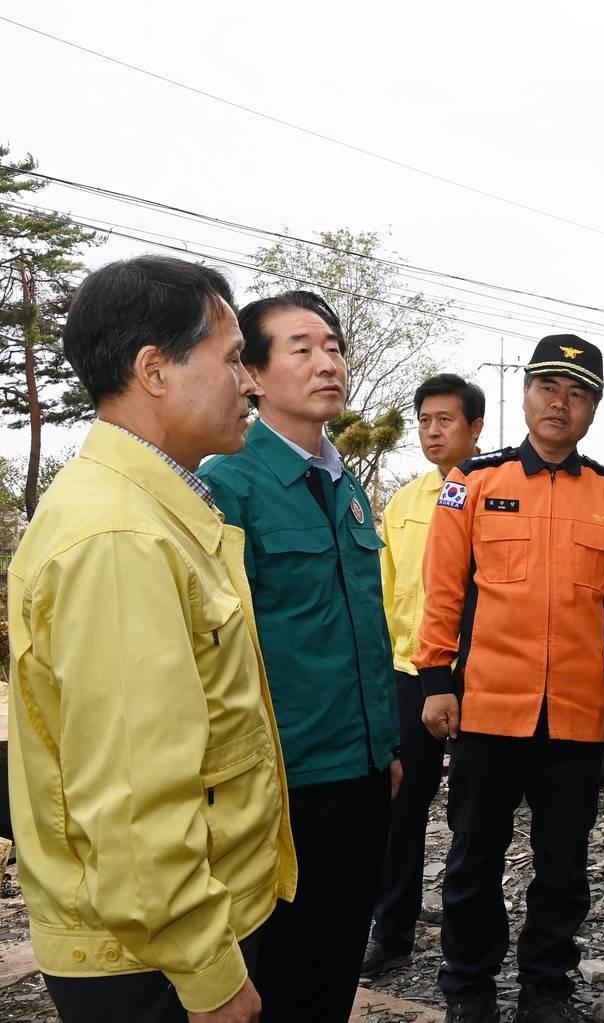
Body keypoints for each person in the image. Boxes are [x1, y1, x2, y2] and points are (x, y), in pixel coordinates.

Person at [7, 255, 295, 1023]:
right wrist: (210, 974)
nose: (252, 383)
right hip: (155, 959)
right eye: (234, 359)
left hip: (179, 931)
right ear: (154, 370)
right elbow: (134, 810)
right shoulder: (120, 536)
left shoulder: (150, 511)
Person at [415, 334, 604, 1023]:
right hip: (489, 706)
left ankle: (546, 985)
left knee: (562, 863)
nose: (561, 402)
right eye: (549, 387)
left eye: (579, 393)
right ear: (524, 394)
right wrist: (437, 677)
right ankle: (468, 985)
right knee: (472, 860)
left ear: (593, 410)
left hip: (576, 712)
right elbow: (443, 593)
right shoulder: (474, 483)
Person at [199, 290, 400, 1023]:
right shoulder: (228, 484)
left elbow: (367, 627)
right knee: (281, 972)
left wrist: (386, 743)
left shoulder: (346, 484)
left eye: (335, 347)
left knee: (338, 964)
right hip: (285, 785)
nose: (328, 363)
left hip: (364, 771)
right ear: (250, 374)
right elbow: (221, 651)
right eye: (302, 348)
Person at [362, 373, 486, 978]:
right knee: (402, 804)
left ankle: (468, 943)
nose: (433, 431)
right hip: (410, 674)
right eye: (425, 420)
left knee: (474, 811)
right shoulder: (404, 503)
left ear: (476, 428)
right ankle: (392, 932)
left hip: (480, 675)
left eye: (446, 420)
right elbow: (384, 591)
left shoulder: (497, 491)